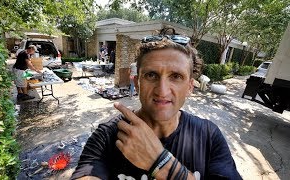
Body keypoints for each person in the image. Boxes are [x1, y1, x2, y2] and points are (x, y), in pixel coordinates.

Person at [71, 27, 242, 180]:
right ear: (137, 83)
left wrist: (160, 163)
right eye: (151, 75)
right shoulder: (108, 136)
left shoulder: (208, 136)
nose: (162, 91)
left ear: (190, 87)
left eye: (176, 76)